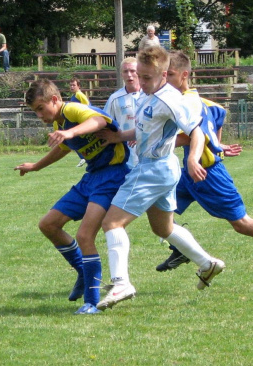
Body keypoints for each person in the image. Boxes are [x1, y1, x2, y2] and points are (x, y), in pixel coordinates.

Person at [156, 50, 253, 292]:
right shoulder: (196, 100)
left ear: (184, 75)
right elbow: (219, 112)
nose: (165, 79)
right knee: (158, 212)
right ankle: (181, 249)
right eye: (164, 74)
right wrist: (217, 144)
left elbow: (190, 136)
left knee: (242, 224)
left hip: (208, 175)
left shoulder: (187, 102)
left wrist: (157, 141)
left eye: (170, 74)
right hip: (190, 174)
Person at [96, 46, 224, 311]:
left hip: (152, 170)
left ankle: (121, 283)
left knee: (112, 223)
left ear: (164, 74)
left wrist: (192, 159)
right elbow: (145, 129)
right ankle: (207, 263)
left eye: (146, 77)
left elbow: (197, 131)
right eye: (139, 76)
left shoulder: (170, 99)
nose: (140, 82)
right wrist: (119, 136)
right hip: (162, 169)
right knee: (163, 229)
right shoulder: (148, 94)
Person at [14, 79, 130, 315]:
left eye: (40, 108)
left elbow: (99, 120)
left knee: (85, 235)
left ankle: (92, 301)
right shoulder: (61, 120)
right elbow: (63, 149)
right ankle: (82, 270)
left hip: (112, 176)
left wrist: (69, 132)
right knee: (49, 224)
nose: (39, 115)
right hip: (92, 177)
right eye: (35, 111)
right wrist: (36, 166)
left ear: (55, 100)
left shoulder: (71, 110)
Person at [103, 57, 144, 168]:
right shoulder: (114, 98)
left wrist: (140, 135)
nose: (129, 75)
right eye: (126, 71)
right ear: (121, 74)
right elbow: (105, 123)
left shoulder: (149, 95)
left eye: (132, 71)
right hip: (125, 155)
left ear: (139, 72)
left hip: (148, 153)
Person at [68, 77, 91, 167]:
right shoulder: (74, 96)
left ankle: (84, 157)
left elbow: (87, 105)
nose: (72, 87)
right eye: (71, 85)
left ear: (79, 86)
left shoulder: (79, 94)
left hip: (81, 121)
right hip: (76, 121)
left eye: (74, 85)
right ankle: (84, 157)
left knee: (73, 139)